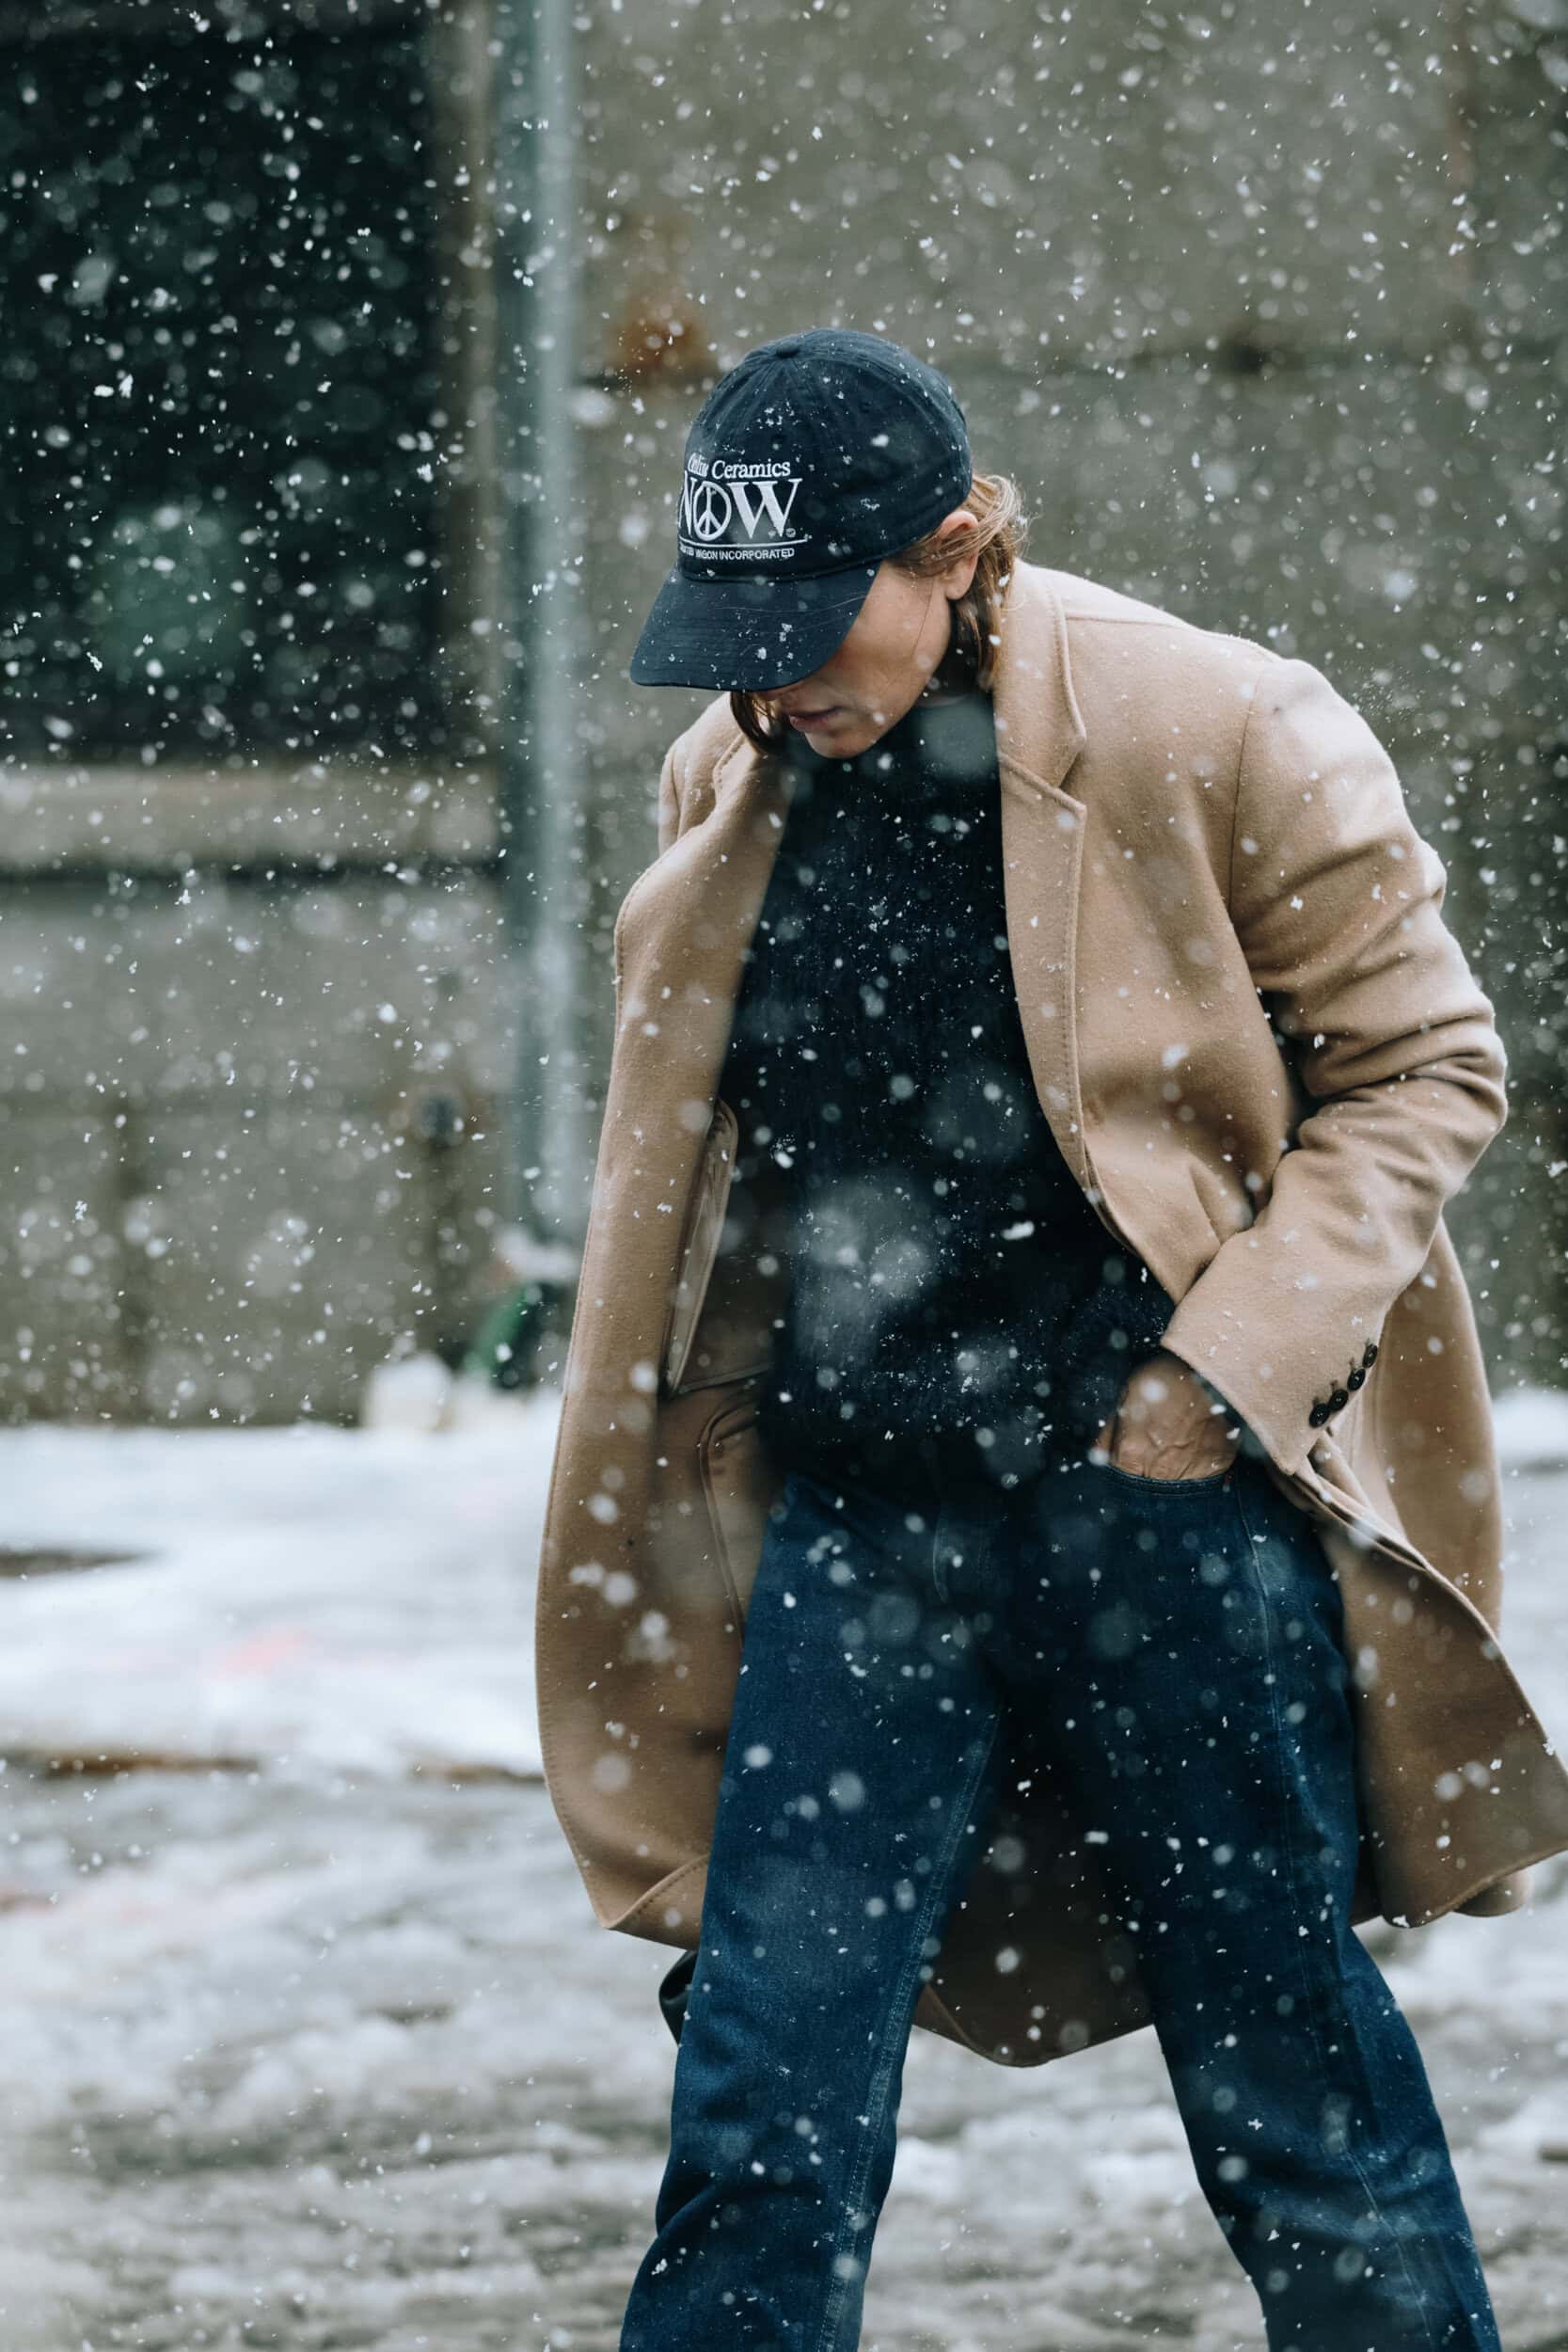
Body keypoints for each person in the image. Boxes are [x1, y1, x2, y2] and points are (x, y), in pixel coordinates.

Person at [548, 325, 1550, 2350]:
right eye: (740, 638)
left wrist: (1213, 1379)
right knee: (761, 2099)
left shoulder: (1217, 721)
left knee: (1292, 2091)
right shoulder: (736, 768)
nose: (775, 680)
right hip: (862, 1516)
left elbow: (1427, 1068)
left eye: (813, 624)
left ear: (955, 547)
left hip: (1163, 1511)